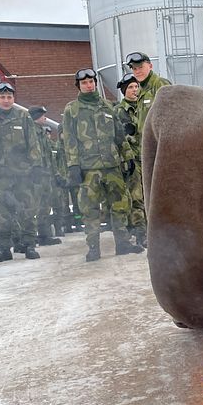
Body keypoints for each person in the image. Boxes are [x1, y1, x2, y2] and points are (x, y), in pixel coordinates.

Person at [62, 68, 143, 261]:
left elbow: (119, 136)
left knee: (120, 206)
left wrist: (128, 157)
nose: (89, 86)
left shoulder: (108, 107)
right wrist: (73, 166)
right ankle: (93, 248)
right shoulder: (72, 110)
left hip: (112, 166)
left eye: (91, 82)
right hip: (88, 168)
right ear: (79, 86)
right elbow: (69, 140)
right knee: (90, 210)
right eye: (84, 83)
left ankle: (122, 243)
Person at [0, 82, 41, 263]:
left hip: (23, 173)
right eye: (2, 97)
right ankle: (4, 248)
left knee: (27, 209)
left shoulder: (23, 117)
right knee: (1, 212)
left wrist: (36, 166)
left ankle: (29, 245)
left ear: (13, 99)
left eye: (9, 97)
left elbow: (33, 143)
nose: (6, 100)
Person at [114, 73, 147, 247]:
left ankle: (152, 230)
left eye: (136, 86)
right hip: (133, 159)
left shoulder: (145, 106)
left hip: (148, 157)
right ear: (124, 91)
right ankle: (141, 233)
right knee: (137, 197)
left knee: (150, 196)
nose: (134, 90)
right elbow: (119, 138)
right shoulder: (119, 111)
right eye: (131, 88)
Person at [28, 106, 62, 246]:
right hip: (36, 176)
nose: (45, 118)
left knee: (45, 206)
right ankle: (31, 236)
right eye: (42, 116)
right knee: (34, 206)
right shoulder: (31, 132)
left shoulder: (41, 133)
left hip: (46, 175)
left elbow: (48, 156)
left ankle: (44, 234)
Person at [122, 51, 171, 134]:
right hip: (145, 142)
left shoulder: (160, 84)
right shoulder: (140, 90)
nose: (137, 71)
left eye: (141, 67)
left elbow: (170, 117)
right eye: (134, 69)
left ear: (150, 66)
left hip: (159, 141)